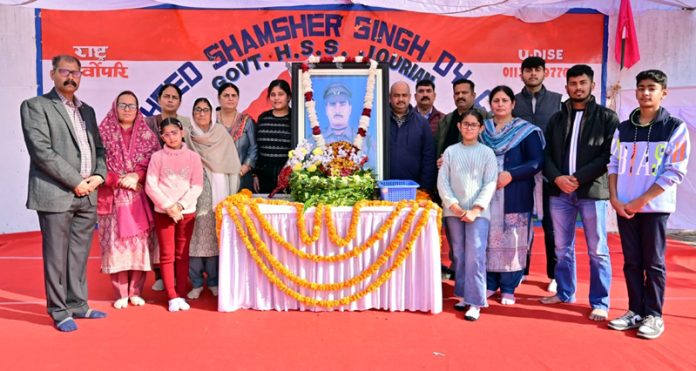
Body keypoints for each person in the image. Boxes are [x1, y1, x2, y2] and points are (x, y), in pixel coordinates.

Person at [20, 54, 107, 332]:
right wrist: (75, 181)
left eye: (76, 72)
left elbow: (100, 150)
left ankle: (79, 305)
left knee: (79, 254)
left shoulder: (88, 111)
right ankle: (59, 311)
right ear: (53, 74)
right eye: (65, 71)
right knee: (56, 256)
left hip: (87, 193)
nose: (71, 77)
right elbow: (42, 151)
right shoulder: (36, 106)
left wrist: (98, 176)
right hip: (57, 193)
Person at [607, 69, 690, 339]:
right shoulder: (624, 128)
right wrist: (615, 199)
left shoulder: (673, 127)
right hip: (625, 208)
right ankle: (635, 311)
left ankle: (654, 315)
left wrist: (640, 201)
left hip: (654, 209)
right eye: (641, 87)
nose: (645, 92)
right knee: (631, 262)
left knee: (653, 263)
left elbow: (675, 171)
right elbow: (614, 165)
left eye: (651, 88)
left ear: (663, 92)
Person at [539, 65, 618, 322]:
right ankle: (565, 292)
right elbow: (546, 154)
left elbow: (609, 155)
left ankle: (600, 302)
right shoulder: (557, 118)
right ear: (566, 88)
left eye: (582, 83)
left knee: (598, 250)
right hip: (559, 192)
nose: (578, 88)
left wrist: (578, 178)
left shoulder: (607, 118)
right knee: (562, 248)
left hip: (591, 191)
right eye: (573, 83)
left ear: (592, 86)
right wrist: (558, 178)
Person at [480, 85, 544, 305]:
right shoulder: (483, 131)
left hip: (515, 194)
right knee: (488, 239)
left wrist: (511, 174)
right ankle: (489, 283)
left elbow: (536, 162)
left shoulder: (526, 131)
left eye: (504, 100)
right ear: (490, 104)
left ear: (512, 104)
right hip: (487, 197)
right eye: (495, 101)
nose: (499, 105)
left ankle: (509, 287)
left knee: (513, 241)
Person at [97, 91, 160, 309]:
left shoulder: (148, 135)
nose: (127, 109)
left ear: (138, 109)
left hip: (139, 197)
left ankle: (135, 291)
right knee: (116, 246)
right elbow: (95, 164)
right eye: (123, 105)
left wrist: (137, 176)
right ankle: (121, 292)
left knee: (140, 246)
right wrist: (117, 179)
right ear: (115, 107)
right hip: (112, 196)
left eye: (132, 105)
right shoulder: (102, 133)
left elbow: (155, 162)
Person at [437, 109, 497, 321]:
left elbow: (490, 184)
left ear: (481, 128)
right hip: (453, 212)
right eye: (466, 124)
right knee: (459, 255)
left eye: (474, 124)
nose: (469, 127)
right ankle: (462, 294)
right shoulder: (450, 152)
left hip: (477, 214)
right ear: (459, 127)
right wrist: (454, 207)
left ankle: (476, 302)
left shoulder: (487, 153)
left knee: (476, 256)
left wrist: (475, 210)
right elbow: (442, 181)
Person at [512, 56, 562, 291]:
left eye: (537, 70)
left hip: (550, 172)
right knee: (521, 223)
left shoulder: (557, 101)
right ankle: (520, 269)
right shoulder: (513, 102)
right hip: (521, 171)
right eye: (528, 70)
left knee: (551, 225)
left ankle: (554, 274)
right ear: (521, 74)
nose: (533, 74)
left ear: (544, 73)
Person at [145, 118, 204, 312]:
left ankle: (181, 293)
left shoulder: (193, 157)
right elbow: (151, 186)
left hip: (186, 212)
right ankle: (171, 295)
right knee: (167, 255)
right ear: (161, 137)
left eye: (175, 132)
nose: (171, 137)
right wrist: (169, 206)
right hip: (164, 212)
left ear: (182, 133)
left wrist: (180, 205)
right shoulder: (157, 157)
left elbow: (197, 186)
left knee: (182, 254)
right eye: (167, 134)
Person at [186, 97, 241, 299]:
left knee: (215, 237)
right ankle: (197, 282)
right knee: (195, 239)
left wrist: (232, 196)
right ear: (192, 113)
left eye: (205, 109)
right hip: (193, 195)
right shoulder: (187, 136)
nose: (201, 113)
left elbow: (231, 165)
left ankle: (215, 281)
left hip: (219, 193)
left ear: (212, 113)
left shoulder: (220, 135)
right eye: (197, 109)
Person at [144, 83, 191, 291]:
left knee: (179, 241)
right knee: (157, 234)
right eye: (166, 96)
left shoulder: (186, 123)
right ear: (159, 99)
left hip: (180, 192)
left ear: (180, 101)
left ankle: (178, 278)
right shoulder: (148, 123)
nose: (170, 100)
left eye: (175, 97)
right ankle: (160, 275)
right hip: (152, 184)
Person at [388, 81, 436, 194]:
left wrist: (424, 188)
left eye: (404, 95)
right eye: (396, 95)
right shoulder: (380, 120)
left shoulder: (422, 123)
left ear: (410, 97)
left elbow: (428, 158)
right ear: (390, 97)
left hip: (414, 189)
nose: (400, 99)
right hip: (383, 187)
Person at [253, 79, 292, 194]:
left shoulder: (295, 118)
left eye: (281, 94)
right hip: (264, 175)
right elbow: (257, 148)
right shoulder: (263, 118)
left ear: (288, 97)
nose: (276, 98)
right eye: (273, 94)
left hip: (288, 175)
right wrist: (255, 174)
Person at [216, 82, 257, 191]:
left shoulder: (246, 121)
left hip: (242, 176)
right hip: (216, 177)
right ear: (219, 99)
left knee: (242, 207)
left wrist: (245, 167)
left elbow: (253, 148)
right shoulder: (211, 121)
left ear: (238, 99)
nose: (230, 98)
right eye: (226, 95)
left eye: (233, 96)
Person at [435, 78, 489, 159]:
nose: (460, 96)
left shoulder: (486, 118)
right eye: (457, 93)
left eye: (464, 93)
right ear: (453, 97)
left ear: (473, 95)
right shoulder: (444, 121)